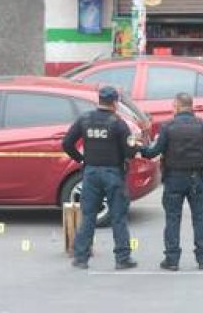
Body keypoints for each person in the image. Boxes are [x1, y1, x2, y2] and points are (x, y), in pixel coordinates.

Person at [139, 92, 203, 271]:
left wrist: (140, 148)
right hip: (199, 178)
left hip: (174, 179)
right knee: (200, 217)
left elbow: (154, 152)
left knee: (172, 218)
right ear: (191, 106)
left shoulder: (168, 127)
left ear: (175, 106)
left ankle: (172, 259)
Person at [62, 86, 138, 270]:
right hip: (113, 173)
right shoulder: (118, 124)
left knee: (88, 216)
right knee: (118, 217)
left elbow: (66, 143)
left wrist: (81, 159)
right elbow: (130, 151)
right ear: (114, 103)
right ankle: (122, 258)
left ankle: (81, 258)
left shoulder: (85, 119)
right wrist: (134, 145)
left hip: (91, 172)